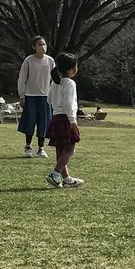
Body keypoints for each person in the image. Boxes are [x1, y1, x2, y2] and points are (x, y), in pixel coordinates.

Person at [45, 53, 83, 188]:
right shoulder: (70, 83)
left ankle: (66, 177)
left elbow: (49, 100)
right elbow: (69, 103)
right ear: (71, 69)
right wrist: (73, 121)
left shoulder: (55, 83)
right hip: (66, 118)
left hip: (56, 117)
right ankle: (55, 173)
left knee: (60, 149)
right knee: (70, 150)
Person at [17, 36, 55, 158]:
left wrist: (54, 95)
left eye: (44, 44)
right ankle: (28, 146)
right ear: (34, 47)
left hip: (45, 96)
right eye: (40, 45)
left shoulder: (50, 61)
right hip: (30, 95)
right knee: (30, 120)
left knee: (44, 122)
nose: (43, 47)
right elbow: (22, 79)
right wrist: (22, 96)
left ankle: (41, 147)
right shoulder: (29, 61)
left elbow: (54, 80)